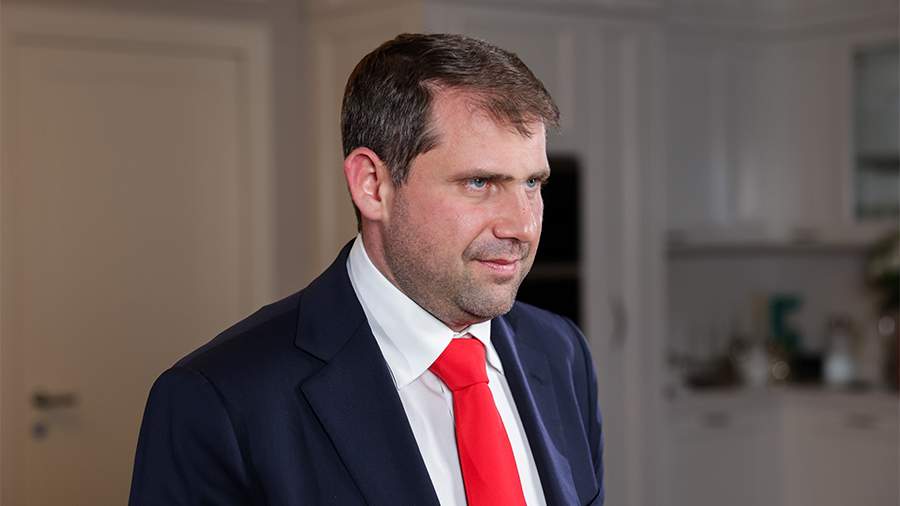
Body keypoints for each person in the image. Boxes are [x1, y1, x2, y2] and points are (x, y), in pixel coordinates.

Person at [129, 33, 603, 506]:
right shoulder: (217, 401)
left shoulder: (561, 352)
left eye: (532, 183)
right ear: (372, 185)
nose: (522, 226)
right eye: (479, 182)